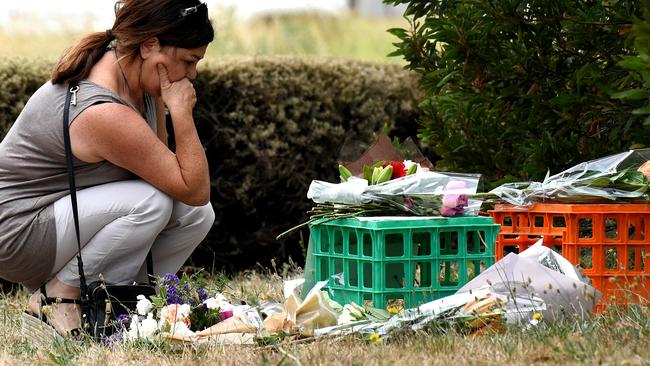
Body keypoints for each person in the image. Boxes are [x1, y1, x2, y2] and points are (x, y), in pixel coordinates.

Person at [0, 0, 215, 336]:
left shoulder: (138, 82)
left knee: (196, 214)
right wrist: (183, 114)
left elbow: (178, 184)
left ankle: (133, 304)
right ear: (149, 45)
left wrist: (161, 101)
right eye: (189, 61)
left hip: (54, 221)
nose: (191, 75)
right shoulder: (102, 110)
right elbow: (194, 187)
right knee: (152, 204)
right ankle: (58, 296)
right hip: (16, 230)